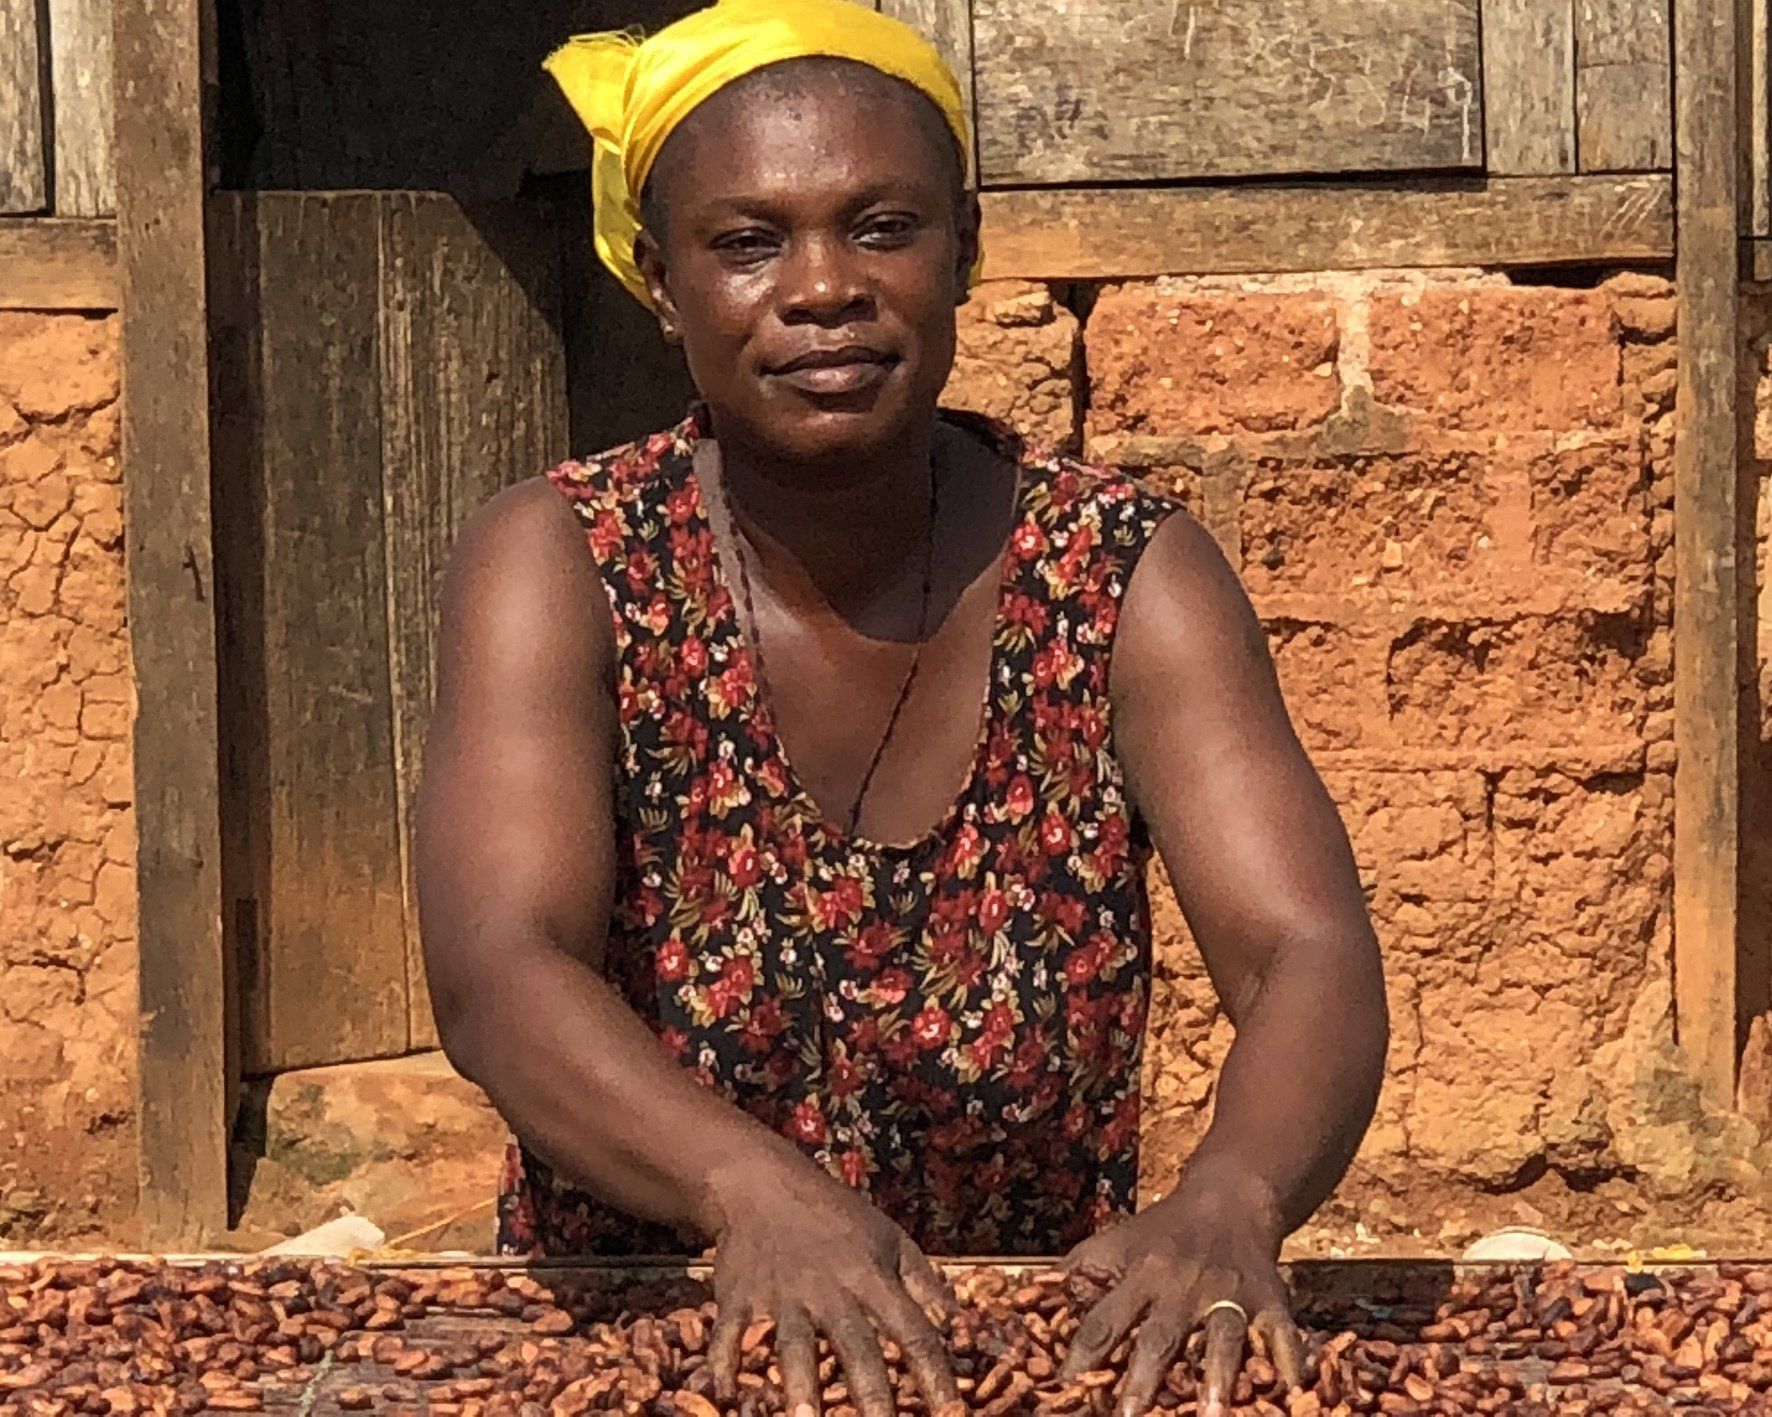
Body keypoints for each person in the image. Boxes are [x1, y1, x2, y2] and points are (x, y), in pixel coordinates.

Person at [414, 3, 1389, 1415]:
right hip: (663, 1338)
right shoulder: (564, 564)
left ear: (966, 249)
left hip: (1014, 1356)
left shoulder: (1119, 575)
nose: (824, 288)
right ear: (655, 278)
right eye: (747, 243)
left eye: (883, 227)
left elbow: (1306, 947)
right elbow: (500, 965)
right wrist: (747, 1192)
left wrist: (1234, 1195)